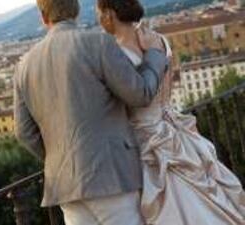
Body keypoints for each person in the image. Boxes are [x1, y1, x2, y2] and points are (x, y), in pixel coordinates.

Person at [14, 0, 169, 224]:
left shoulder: (23, 66)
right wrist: (154, 55)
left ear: (43, 17)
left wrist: (60, 156)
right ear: (76, 11)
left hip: (66, 184)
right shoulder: (97, 43)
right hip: (112, 175)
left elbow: (24, 133)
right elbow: (140, 94)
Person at [96, 0, 245, 224]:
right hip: (174, 129)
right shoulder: (158, 40)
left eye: (99, 13)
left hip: (146, 141)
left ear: (109, 13)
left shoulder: (115, 54)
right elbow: (167, 81)